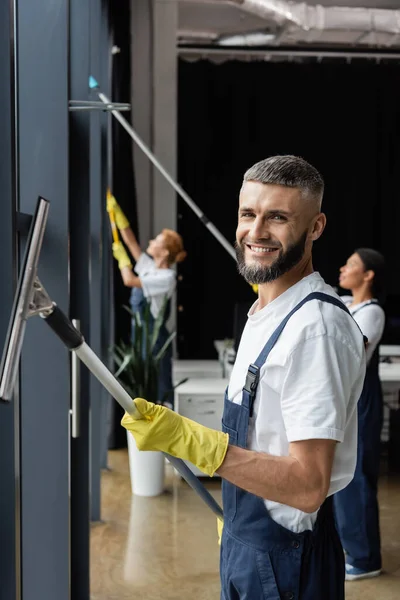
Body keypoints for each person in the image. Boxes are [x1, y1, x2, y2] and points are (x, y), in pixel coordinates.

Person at [121, 155, 366, 599]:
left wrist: (198, 445)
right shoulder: (266, 313)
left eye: (278, 218)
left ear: (315, 227)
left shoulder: (315, 329)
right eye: (248, 214)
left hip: (284, 567)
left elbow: (310, 485)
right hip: (246, 545)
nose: (255, 232)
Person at [334, 248, 386, 581]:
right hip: (343, 398)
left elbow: (351, 352)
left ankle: (366, 558)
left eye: (351, 265)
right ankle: (348, 545)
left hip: (362, 400)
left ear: (368, 275)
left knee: (358, 480)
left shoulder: (372, 312)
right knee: (340, 478)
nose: (343, 268)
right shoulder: (343, 303)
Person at [108, 196, 186, 407]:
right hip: (140, 334)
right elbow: (131, 240)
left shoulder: (166, 277)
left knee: (157, 385)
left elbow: (129, 280)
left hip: (154, 340)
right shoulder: (149, 267)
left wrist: (122, 259)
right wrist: (117, 214)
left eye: (156, 241)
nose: (151, 242)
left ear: (165, 252)